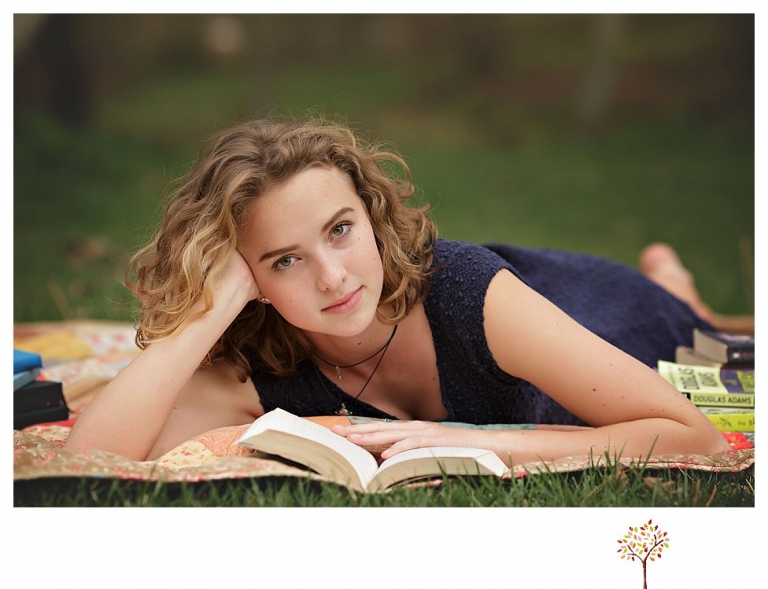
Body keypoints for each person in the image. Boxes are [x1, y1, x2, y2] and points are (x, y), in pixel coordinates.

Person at [64, 117, 732, 465]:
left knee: (697, 329)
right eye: (286, 260)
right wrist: (206, 312)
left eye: (340, 230)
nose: (333, 277)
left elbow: (691, 436)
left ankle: (671, 283)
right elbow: (89, 461)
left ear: (372, 213)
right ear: (250, 280)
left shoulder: (467, 293)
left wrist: (485, 442)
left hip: (595, 310)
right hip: (531, 308)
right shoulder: (258, 367)